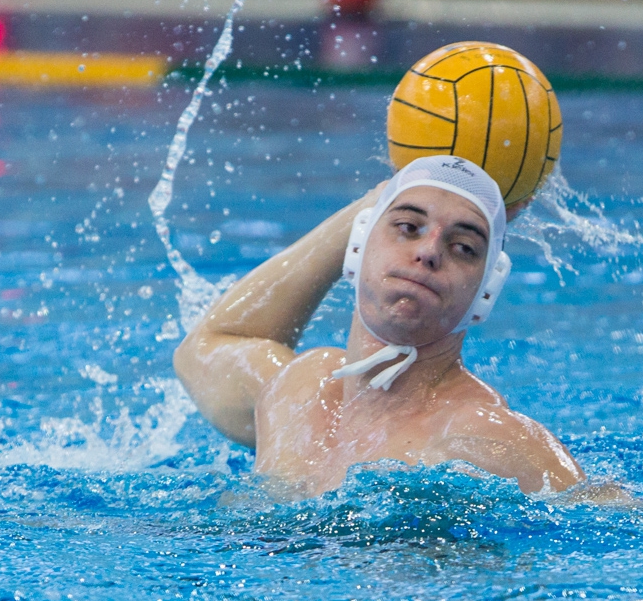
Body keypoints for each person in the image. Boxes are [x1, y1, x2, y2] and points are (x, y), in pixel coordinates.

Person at [174, 155, 584, 497]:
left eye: (463, 247)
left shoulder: (488, 439)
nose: (428, 251)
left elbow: (608, 515)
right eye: (407, 227)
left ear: (487, 290)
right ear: (357, 245)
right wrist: (370, 205)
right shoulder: (300, 392)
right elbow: (206, 347)